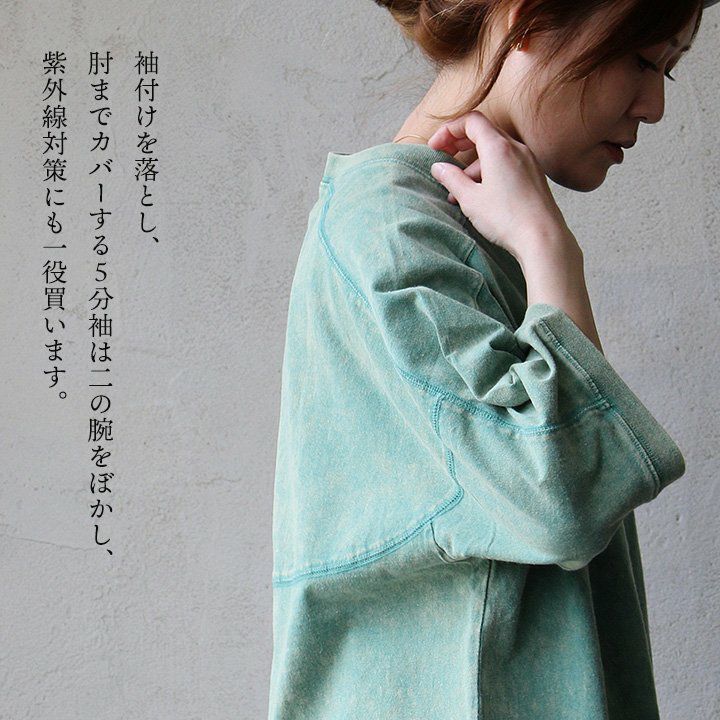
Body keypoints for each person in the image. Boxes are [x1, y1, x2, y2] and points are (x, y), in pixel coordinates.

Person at [268, 1, 715, 718]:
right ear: (526, 20)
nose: (654, 105)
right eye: (641, 60)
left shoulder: (447, 229)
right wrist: (548, 247)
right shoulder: (390, 227)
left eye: (667, 69)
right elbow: (562, 498)